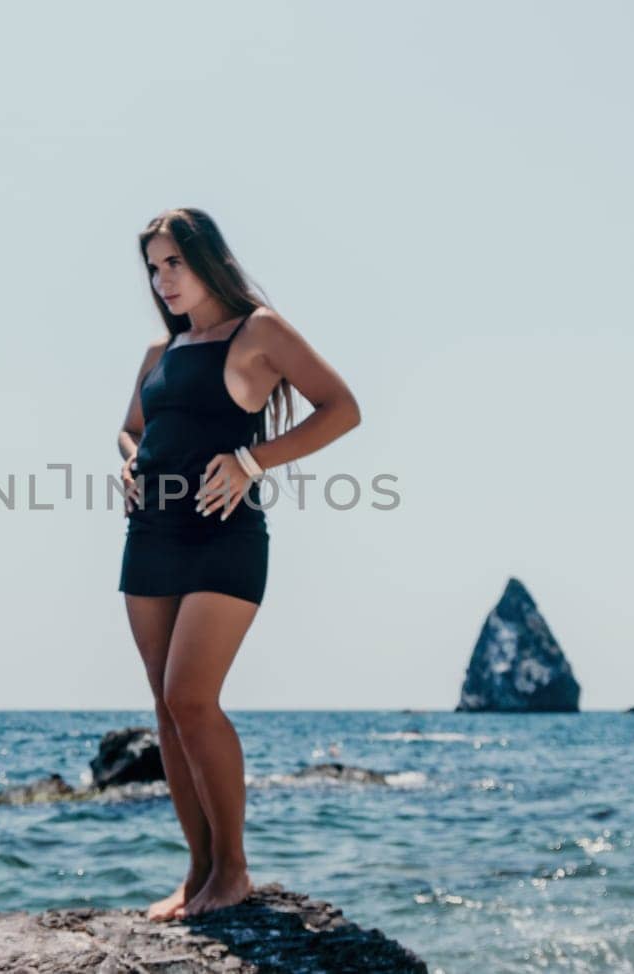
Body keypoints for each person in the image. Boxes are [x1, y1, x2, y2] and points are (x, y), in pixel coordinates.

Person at [116, 207, 362, 920]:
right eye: (154, 268)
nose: (163, 280)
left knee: (192, 696)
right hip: (150, 534)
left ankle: (234, 869)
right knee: (165, 708)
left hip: (224, 534)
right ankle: (197, 873)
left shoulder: (260, 332)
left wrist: (253, 460)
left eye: (174, 263)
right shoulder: (160, 354)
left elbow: (341, 408)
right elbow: (130, 429)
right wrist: (131, 466)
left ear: (207, 260)